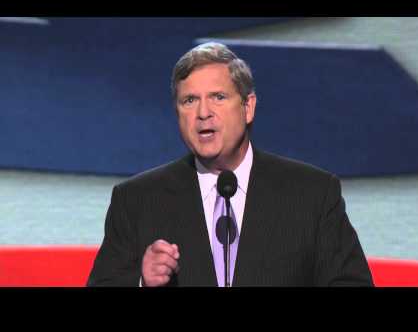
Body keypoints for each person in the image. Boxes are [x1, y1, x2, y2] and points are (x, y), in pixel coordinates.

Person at [87, 42, 373, 287]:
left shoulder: (313, 194)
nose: (203, 113)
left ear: (248, 107)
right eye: (189, 100)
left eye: (218, 97)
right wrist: (141, 281)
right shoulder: (136, 201)